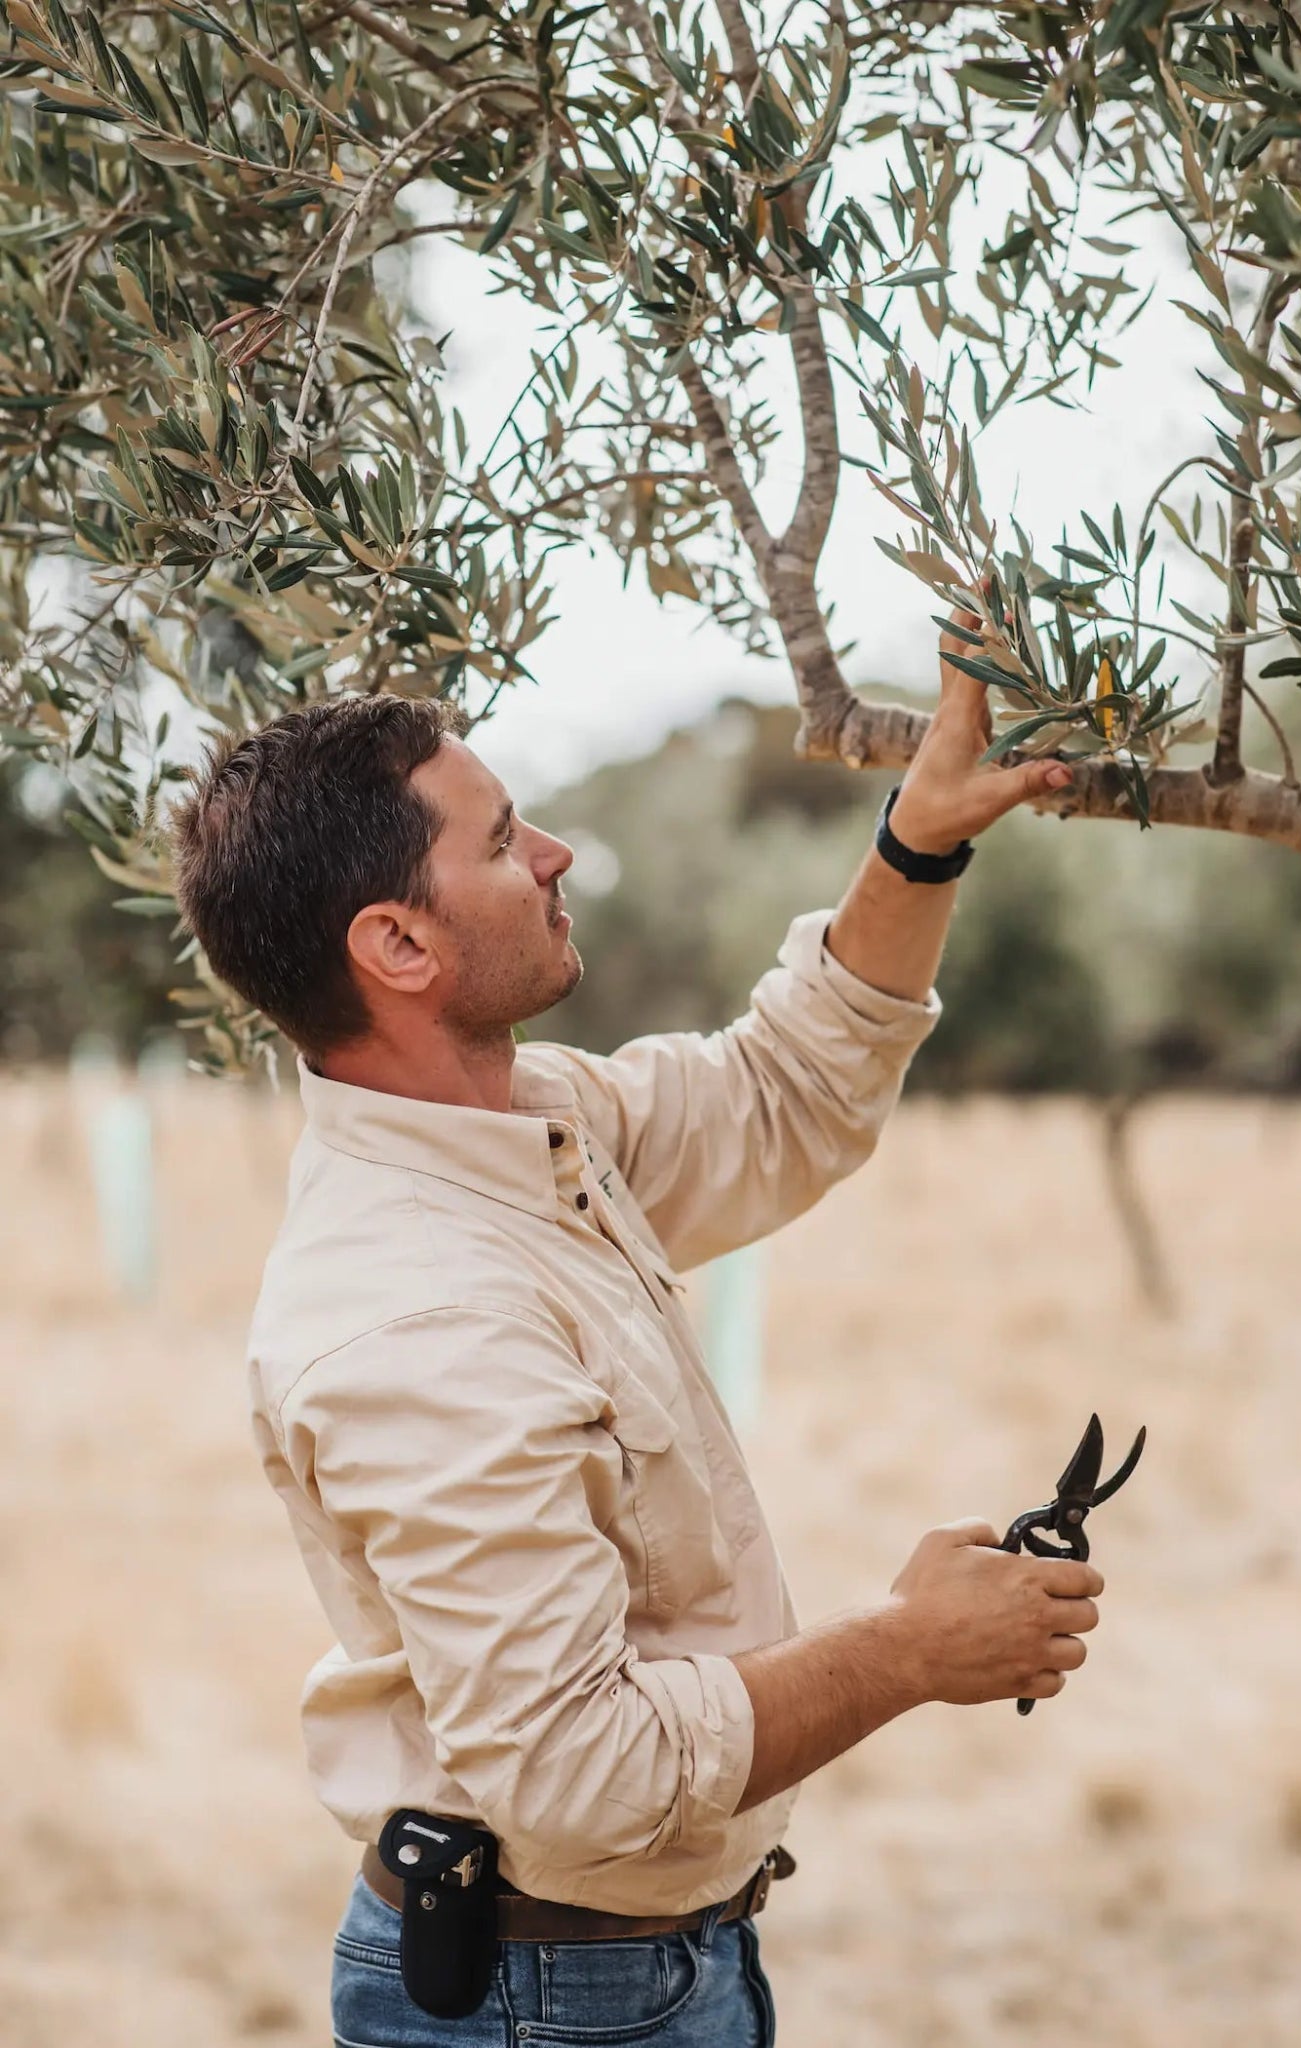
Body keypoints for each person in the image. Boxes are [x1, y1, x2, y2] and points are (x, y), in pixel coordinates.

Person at [171, 606, 1102, 2048]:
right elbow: (579, 1771)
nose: (550, 857)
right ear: (397, 944)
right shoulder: (417, 1319)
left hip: (633, 1975)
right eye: (499, 842)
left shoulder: (537, 1124)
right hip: (545, 2005)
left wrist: (915, 840)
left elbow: (784, 1094)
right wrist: (909, 1651)